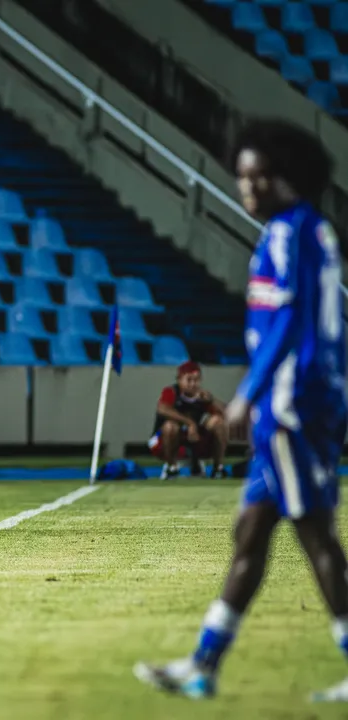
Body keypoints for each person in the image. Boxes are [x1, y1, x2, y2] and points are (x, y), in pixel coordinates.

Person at [135, 119, 348, 701]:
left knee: (316, 536)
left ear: (289, 178)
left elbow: (289, 322)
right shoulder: (310, 231)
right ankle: (203, 665)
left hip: (292, 407)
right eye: (243, 177)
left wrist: (249, 396)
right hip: (304, 401)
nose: (247, 189)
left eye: (260, 178)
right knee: (250, 534)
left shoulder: (289, 234)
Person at [148, 360, 228, 479]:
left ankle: (218, 468)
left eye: (196, 380)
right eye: (189, 380)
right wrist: (190, 423)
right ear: (179, 380)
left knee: (218, 422)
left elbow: (227, 414)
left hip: (193, 440)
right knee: (170, 427)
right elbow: (162, 409)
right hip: (164, 443)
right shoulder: (171, 392)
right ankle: (171, 467)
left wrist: (212, 400)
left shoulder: (202, 397)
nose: (193, 384)